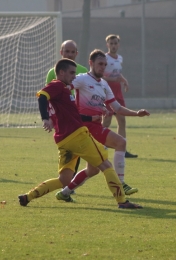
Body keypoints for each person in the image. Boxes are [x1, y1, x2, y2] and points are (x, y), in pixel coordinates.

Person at [18, 58, 143, 209]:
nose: (73, 76)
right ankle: (122, 201)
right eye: (71, 73)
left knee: (64, 179)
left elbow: (72, 115)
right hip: (77, 136)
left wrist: (91, 117)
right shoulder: (57, 85)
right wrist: (45, 118)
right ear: (61, 72)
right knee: (106, 165)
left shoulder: (64, 91)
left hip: (64, 140)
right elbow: (42, 96)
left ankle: (28, 196)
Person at [57, 49, 150, 198]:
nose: (103, 67)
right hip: (85, 127)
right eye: (100, 64)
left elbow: (117, 108)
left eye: (105, 64)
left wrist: (136, 113)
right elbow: (63, 87)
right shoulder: (82, 79)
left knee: (92, 170)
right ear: (91, 63)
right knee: (121, 142)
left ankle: (65, 192)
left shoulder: (104, 85)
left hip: (96, 127)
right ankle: (121, 183)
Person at [45, 40, 88, 182]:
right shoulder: (53, 72)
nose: (69, 54)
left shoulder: (83, 71)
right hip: (62, 119)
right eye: (66, 51)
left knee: (79, 151)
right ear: (61, 52)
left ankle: (69, 183)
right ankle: (66, 182)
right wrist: (49, 117)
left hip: (79, 117)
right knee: (66, 151)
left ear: (77, 54)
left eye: (72, 52)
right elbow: (47, 97)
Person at [102, 34, 137, 158]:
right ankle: (99, 145)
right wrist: (113, 79)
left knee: (122, 121)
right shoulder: (104, 58)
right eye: (111, 43)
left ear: (118, 45)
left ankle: (122, 149)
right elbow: (101, 75)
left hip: (118, 92)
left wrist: (124, 81)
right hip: (107, 92)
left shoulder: (119, 58)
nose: (113, 45)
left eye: (115, 43)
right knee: (106, 120)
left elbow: (118, 74)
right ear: (107, 45)